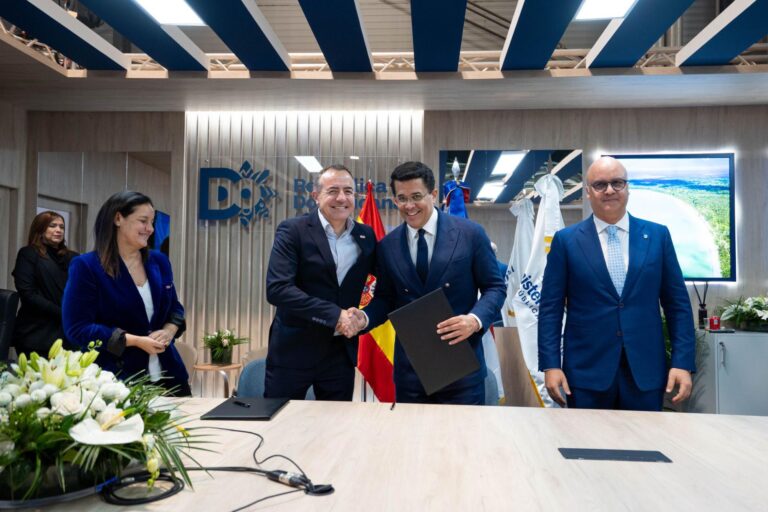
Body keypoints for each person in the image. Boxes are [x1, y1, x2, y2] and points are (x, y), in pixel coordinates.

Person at [538, 156, 695, 411]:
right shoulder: (566, 242)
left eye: (617, 183)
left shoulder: (658, 236)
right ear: (588, 192)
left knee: (645, 438)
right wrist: (551, 365)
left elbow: (678, 306)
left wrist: (682, 362)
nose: (609, 190)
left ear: (627, 188)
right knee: (586, 438)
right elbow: (550, 309)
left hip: (645, 372)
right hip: (586, 374)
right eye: (600, 185)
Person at [357, 161, 506, 404]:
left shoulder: (470, 234)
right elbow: (385, 299)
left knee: (462, 431)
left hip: (461, 370)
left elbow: (495, 287)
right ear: (394, 200)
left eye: (416, 196)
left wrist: (474, 320)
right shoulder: (386, 247)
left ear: (433, 194)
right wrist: (363, 318)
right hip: (410, 374)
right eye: (402, 198)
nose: (409, 205)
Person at [264, 164, 376, 401]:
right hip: (293, 350)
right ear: (316, 196)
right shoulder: (293, 230)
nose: (341, 198)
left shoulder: (365, 236)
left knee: (337, 421)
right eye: (333, 191)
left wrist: (362, 318)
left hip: (340, 353)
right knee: (281, 419)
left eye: (348, 191)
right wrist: (334, 315)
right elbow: (278, 289)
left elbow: (383, 286)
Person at [63, 191, 190, 396]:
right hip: (118, 381)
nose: (150, 229)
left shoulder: (159, 261)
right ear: (118, 218)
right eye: (143, 221)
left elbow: (175, 308)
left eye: (152, 222)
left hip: (171, 378)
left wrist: (169, 330)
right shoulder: (87, 266)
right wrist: (134, 341)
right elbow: (77, 328)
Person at [11, 211, 78, 357]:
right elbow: (28, 294)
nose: (58, 230)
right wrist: (63, 313)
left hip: (67, 335)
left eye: (61, 227)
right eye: (52, 226)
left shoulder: (74, 257)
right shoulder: (29, 253)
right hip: (36, 332)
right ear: (40, 229)